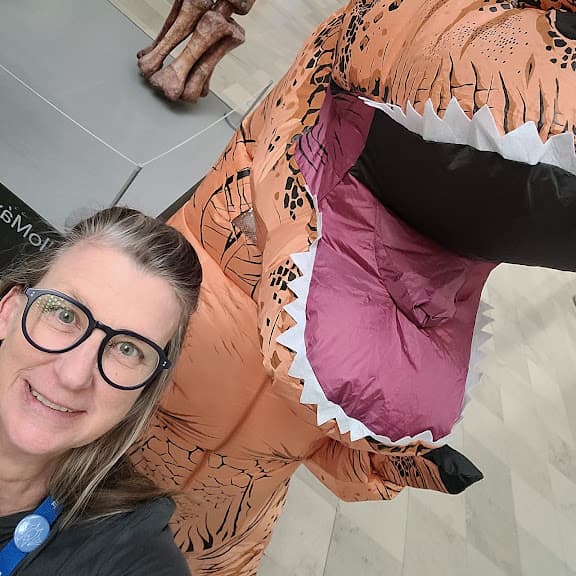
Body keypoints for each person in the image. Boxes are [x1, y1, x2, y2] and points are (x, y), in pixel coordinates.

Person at [133, 0, 576, 574]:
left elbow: (309, 447)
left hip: (214, 547)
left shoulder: (395, 312)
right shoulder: (173, 269)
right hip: (80, 489)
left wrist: (383, 462)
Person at [0, 206, 201, 575]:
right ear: (8, 311)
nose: (74, 375)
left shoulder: (128, 550)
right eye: (64, 314)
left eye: (127, 349)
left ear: (144, 390)